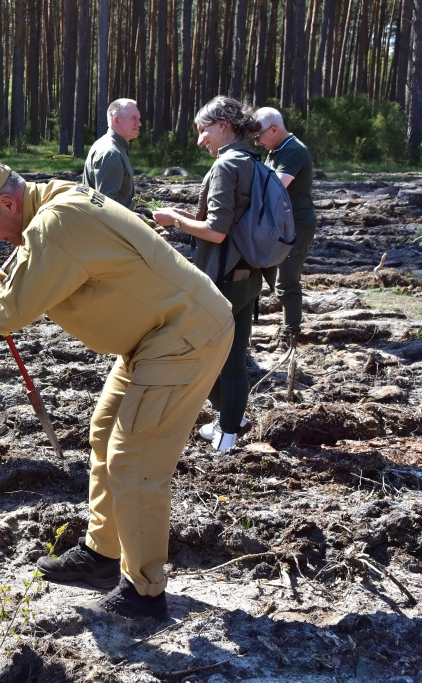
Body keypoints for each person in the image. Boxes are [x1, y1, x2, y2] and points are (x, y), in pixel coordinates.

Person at [0, 159, 233, 620]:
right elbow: (14, 275)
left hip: (183, 336)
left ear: (8, 203)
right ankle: (103, 558)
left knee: (135, 459)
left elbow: (11, 307)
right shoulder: (51, 205)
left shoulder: (56, 223)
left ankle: (144, 594)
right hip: (156, 336)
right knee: (106, 430)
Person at [152, 96, 264, 452]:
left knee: (205, 355)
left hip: (224, 277)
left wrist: (175, 219)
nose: (201, 139)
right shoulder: (253, 161)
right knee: (231, 357)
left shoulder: (225, 166)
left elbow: (216, 231)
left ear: (224, 126)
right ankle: (234, 421)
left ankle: (227, 436)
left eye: (204, 130)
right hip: (249, 274)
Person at [253, 107, 317, 346]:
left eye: (259, 136)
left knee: (286, 281)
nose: (257, 142)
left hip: (296, 224)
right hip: (280, 224)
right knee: (272, 275)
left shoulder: (293, 150)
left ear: (274, 129)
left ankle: (290, 334)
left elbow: (275, 188)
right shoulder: (276, 149)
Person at [83, 98, 142, 208]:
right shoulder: (111, 153)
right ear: (116, 120)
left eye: (139, 119)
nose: (139, 124)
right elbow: (106, 205)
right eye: (134, 119)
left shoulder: (111, 146)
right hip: (111, 224)